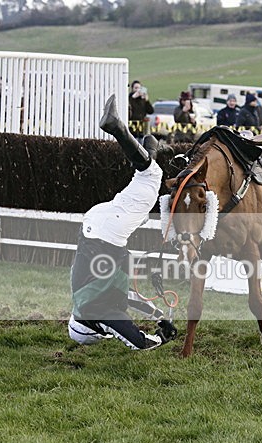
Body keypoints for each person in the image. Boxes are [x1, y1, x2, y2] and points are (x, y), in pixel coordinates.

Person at [69, 94, 177, 350]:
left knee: (151, 178)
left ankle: (116, 126)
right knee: (144, 180)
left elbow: (138, 342)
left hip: (107, 232)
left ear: (92, 330)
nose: (106, 332)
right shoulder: (86, 300)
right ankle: (151, 145)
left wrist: (162, 338)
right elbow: (130, 298)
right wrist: (158, 316)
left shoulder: (97, 312)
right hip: (95, 223)